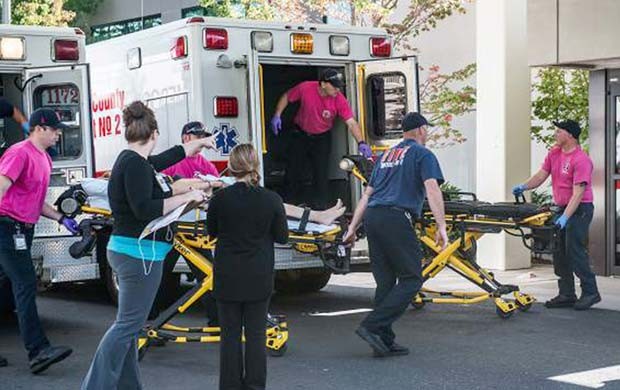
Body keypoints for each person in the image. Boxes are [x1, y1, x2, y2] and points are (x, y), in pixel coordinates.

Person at [81, 101, 214, 390]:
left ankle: (128, 385)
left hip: (134, 253)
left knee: (129, 326)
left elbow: (166, 158)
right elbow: (145, 208)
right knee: (127, 326)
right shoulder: (135, 165)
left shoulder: (135, 161)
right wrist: (186, 198)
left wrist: (199, 143)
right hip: (137, 255)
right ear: (154, 134)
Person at [343, 112, 448, 358]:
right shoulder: (423, 154)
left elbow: (367, 195)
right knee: (412, 279)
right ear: (421, 130)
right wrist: (441, 226)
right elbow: (431, 189)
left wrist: (352, 228)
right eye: (427, 129)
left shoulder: (385, 156)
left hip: (374, 218)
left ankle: (383, 339)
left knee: (386, 282)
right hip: (396, 217)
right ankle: (372, 326)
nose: (427, 133)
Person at [0, 108, 77, 374]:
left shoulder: (43, 158)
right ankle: (38, 350)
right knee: (25, 284)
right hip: (7, 227)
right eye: (55, 130)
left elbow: (34, 199)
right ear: (40, 128)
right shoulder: (19, 153)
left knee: (6, 289)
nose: (58, 134)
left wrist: (60, 218)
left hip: (24, 229)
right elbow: (1, 186)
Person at [207, 143, 288, 390]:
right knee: (255, 335)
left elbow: (212, 232)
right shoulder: (271, 199)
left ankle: (230, 386)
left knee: (229, 336)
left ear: (231, 167)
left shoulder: (220, 199)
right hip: (258, 275)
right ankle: (254, 386)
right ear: (255, 165)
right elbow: (282, 236)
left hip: (227, 275)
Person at [512, 120, 601, 310]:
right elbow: (540, 176)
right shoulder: (554, 153)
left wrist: (565, 217)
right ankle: (566, 294)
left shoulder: (581, 159)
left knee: (574, 250)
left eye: (558, 131)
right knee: (559, 252)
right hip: (562, 208)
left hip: (580, 210)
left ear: (569, 135)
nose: (555, 134)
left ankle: (591, 292)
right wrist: (523, 186)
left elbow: (578, 194)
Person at [270, 68, 371, 209]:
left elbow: (351, 122)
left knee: (321, 173)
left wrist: (361, 142)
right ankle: (287, 207)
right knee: (293, 170)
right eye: (334, 86)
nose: (337, 89)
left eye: (339, 86)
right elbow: (287, 96)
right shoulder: (306, 88)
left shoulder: (339, 100)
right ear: (323, 84)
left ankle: (321, 209)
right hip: (301, 134)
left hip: (322, 137)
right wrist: (277, 115)